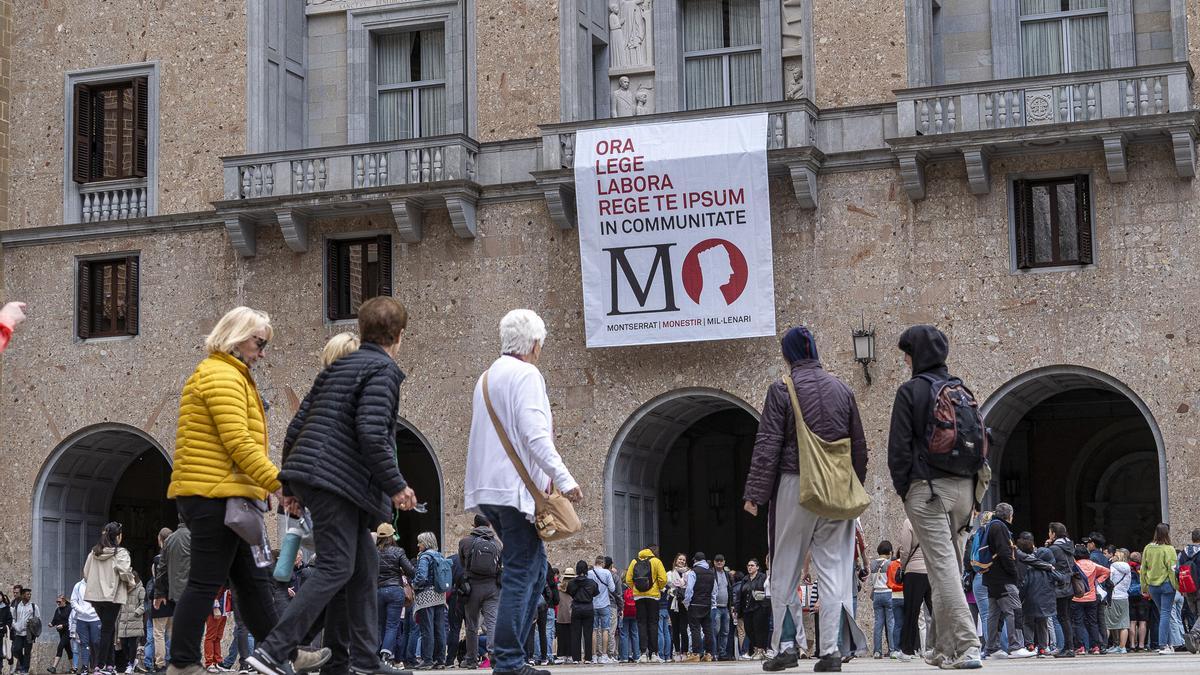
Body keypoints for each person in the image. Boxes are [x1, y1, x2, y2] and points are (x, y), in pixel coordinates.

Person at [249, 297, 417, 675]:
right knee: (336, 567)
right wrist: (397, 486)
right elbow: (372, 433)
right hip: (337, 482)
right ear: (399, 336)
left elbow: (297, 426)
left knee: (364, 565)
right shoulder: (383, 370)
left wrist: (290, 485)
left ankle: (365, 661)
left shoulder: (337, 369)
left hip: (321, 478)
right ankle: (275, 650)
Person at [169, 308, 324, 675]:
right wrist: (280, 483)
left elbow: (235, 445)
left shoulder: (226, 374)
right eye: (260, 342)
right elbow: (239, 442)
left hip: (224, 494)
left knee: (254, 582)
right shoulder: (223, 376)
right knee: (206, 581)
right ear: (238, 336)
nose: (263, 351)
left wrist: (262, 484)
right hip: (216, 497)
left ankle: (283, 653)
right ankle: (182, 662)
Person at [742, 326, 869, 673]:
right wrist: (853, 485)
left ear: (788, 355)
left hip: (794, 486)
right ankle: (830, 651)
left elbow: (767, 442)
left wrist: (755, 493)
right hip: (837, 490)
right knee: (834, 571)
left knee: (785, 568)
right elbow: (858, 444)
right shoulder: (842, 388)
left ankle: (787, 646)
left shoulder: (782, 388)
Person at [463, 309, 583, 675]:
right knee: (522, 569)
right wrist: (564, 479)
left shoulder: (487, 377)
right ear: (534, 344)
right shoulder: (527, 375)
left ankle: (510, 656)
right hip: (512, 490)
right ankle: (509, 661)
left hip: (487, 489)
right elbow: (534, 435)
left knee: (534, 566)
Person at [887, 325, 984, 670]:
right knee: (945, 570)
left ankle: (970, 646)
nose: (905, 360)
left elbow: (898, 449)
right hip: (964, 491)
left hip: (927, 490)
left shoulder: (911, 391)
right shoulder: (960, 389)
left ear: (916, 355)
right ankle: (943, 651)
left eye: (907, 353)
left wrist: (904, 489)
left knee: (943, 571)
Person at [980, 503, 1033, 659]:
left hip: (990, 577)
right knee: (1015, 610)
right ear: (1009, 515)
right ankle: (1016, 646)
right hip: (1003, 577)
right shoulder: (1001, 528)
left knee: (994, 614)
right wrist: (1014, 573)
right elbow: (1005, 553)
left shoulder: (990, 526)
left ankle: (992, 649)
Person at [83, 523, 134, 672]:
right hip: (113, 596)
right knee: (107, 629)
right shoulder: (121, 553)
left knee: (109, 628)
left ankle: (110, 663)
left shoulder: (94, 553)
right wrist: (131, 583)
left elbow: (86, 573)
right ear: (118, 536)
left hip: (96, 597)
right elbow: (125, 572)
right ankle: (100, 665)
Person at [457, 515, 503, 669]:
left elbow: (463, 563)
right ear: (489, 524)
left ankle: (471, 659)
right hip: (492, 588)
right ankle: (494, 655)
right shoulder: (497, 544)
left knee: (472, 624)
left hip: (472, 588)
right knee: (492, 622)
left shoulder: (465, 542)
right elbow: (500, 566)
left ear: (474, 525)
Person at [375, 523, 415, 665]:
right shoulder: (398, 551)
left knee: (379, 624)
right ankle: (386, 653)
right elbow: (411, 571)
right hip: (395, 591)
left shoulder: (372, 552)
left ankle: (377, 654)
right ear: (391, 536)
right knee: (392, 625)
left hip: (378, 591)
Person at [1015, 533, 1058, 657]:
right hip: (1045, 602)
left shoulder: (1030, 570)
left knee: (1027, 622)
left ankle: (1030, 645)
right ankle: (1043, 648)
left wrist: (1020, 598)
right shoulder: (1050, 571)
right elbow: (1059, 579)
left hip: (1030, 600)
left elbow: (1024, 585)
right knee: (1043, 624)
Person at [1141, 522, 1179, 655]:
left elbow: (1143, 568)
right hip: (1167, 584)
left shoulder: (1147, 548)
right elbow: (1172, 569)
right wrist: (1177, 586)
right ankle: (1163, 645)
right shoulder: (1169, 549)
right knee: (1165, 614)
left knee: (1163, 614)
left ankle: (1169, 644)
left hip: (1152, 586)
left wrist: (1144, 586)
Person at [412, 532, 448, 669]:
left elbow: (421, 577)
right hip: (440, 596)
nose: (418, 545)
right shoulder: (439, 555)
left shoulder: (424, 557)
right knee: (440, 629)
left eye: (420, 542)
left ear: (425, 543)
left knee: (427, 629)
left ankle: (427, 660)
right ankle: (440, 660)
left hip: (427, 596)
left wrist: (414, 584)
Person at [624, 547, 667, 664]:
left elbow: (628, 579)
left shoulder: (634, 561)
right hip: (653, 596)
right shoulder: (656, 561)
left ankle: (643, 654)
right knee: (653, 624)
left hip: (639, 597)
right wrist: (658, 587)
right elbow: (663, 579)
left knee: (641, 624)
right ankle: (654, 654)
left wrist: (636, 589)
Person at [894, 518, 928, 661]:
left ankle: (907, 650)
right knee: (936, 612)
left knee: (911, 612)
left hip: (914, 572)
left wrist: (902, 567)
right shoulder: (933, 520)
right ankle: (942, 647)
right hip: (933, 571)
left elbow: (905, 550)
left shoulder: (909, 522)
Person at [681, 552, 716, 662]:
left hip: (695, 603)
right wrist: (712, 603)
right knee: (708, 629)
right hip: (707, 604)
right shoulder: (711, 573)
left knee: (695, 628)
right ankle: (709, 654)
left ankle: (696, 653)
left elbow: (689, 589)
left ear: (695, 561)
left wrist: (686, 603)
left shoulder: (693, 572)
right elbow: (715, 591)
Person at [565, 561, 599, 663]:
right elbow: (596, 593)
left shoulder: (571, 583)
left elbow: (569, 593)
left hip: (576, 608)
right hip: (588, 608)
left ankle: (576, 658)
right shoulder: (592, 583)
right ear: (586, 570)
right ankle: (588, 658)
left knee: (575, 634)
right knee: (588, 634)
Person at [869, 541, 897, 659]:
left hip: (877, 594)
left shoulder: (872, 564)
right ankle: (892, 650)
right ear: (889, 552)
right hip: (888, 593)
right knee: (891, 623)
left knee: (878, 623)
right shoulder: (890, 564)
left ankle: (877, 651)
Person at [585, 557, 615, 664]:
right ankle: (604, 655)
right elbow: (612, 588)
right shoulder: (606, 572)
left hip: (593, 604)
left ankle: (594, 656)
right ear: (603, 563)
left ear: (595, 562)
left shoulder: (589, 573)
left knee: (593, 630)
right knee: (605, 629)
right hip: (604, 603)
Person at [738, 559, 769, 659]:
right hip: (747, 609)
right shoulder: (745, 579)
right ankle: (756, 649)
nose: (750, 567)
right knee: (749, 629)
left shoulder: (762, 577)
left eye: (752, 565)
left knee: (759, 629)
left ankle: (761, 650)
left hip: (759, 607)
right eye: (748, 565)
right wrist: (739, 609)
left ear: (757, 567)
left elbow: (767, 591)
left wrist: (765, 605)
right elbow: (741, 595)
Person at [1104, 549, 1133, 654]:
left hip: (1113, 597)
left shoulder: (1112, 567)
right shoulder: (1128, 569)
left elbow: (1108, 581)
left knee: (1108, 623)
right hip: (1124, 597)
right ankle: (1122, 647)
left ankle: (1103, 645)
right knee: (1123, 624)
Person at [117, 572, 146, 673]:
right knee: (124, 644)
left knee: (133, 644)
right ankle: (132, 661)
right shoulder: (123, 590)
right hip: (123, 622)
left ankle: (130, 664)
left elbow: (144, 604)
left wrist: (136, 613)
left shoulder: (140, 589)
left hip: (135, 621)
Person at [665, 554, 690, 659]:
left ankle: (685, 652)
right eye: (680, 559)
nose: (682, 561)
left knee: (683, 628)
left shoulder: (689, 573)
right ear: (676, 561)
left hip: (684, 602)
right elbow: (667, 585)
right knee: (675, 628)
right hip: (673, 601)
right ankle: (677, 652)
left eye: (684, 560)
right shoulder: (669, 574)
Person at [710, 555, 734, 661]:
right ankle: (714, 653)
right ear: (714, 562)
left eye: (721, 561)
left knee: (725, 632)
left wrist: (732, 605)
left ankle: (722, 653)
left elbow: (730, 590)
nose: (719, 562)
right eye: (717, 561)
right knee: (715, 631)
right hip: (715, 607)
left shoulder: (727, 574)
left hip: (725, 607)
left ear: (724, 562)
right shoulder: (711, 573)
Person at [9, 588, 37, 675]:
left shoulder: (33, 606)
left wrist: (32, 623)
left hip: (29, 633)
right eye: (27, 594)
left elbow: (38, 619)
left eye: (30, 594)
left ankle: (25, 669)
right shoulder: (17, 606)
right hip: (19, 633)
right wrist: (15, 626)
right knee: (16, 650)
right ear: (22, 595)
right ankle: (22, 663)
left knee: (27, 652)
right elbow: (12, 618)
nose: (29, 596)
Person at [1180, 530, 1200, 653]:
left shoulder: (1183, 553)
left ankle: (1196, 644)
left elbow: (1177, 569)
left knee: (1197, 615)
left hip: (1188, 588)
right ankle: (1193, 634)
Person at [1128, 551, 1148, 651]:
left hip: (1130, 596)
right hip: (1142, 596)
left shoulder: (1127, 568)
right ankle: (1141, 645)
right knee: (1142, 622)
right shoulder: (1142, 568)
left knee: (1132, 621)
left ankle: (1132, 644)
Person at [49, 594, 73, 674]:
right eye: (57, 602)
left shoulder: (70, 609)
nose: (58, 603)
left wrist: (63, 625)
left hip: (68, 631)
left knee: (60, 646)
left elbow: (72, 622)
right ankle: (73, 668)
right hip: (61, 632)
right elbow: (55, 620)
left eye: (59, 602)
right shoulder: (58, 609)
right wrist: (51, 624)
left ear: (64, 601)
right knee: (68, 649)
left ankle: (54, 667)